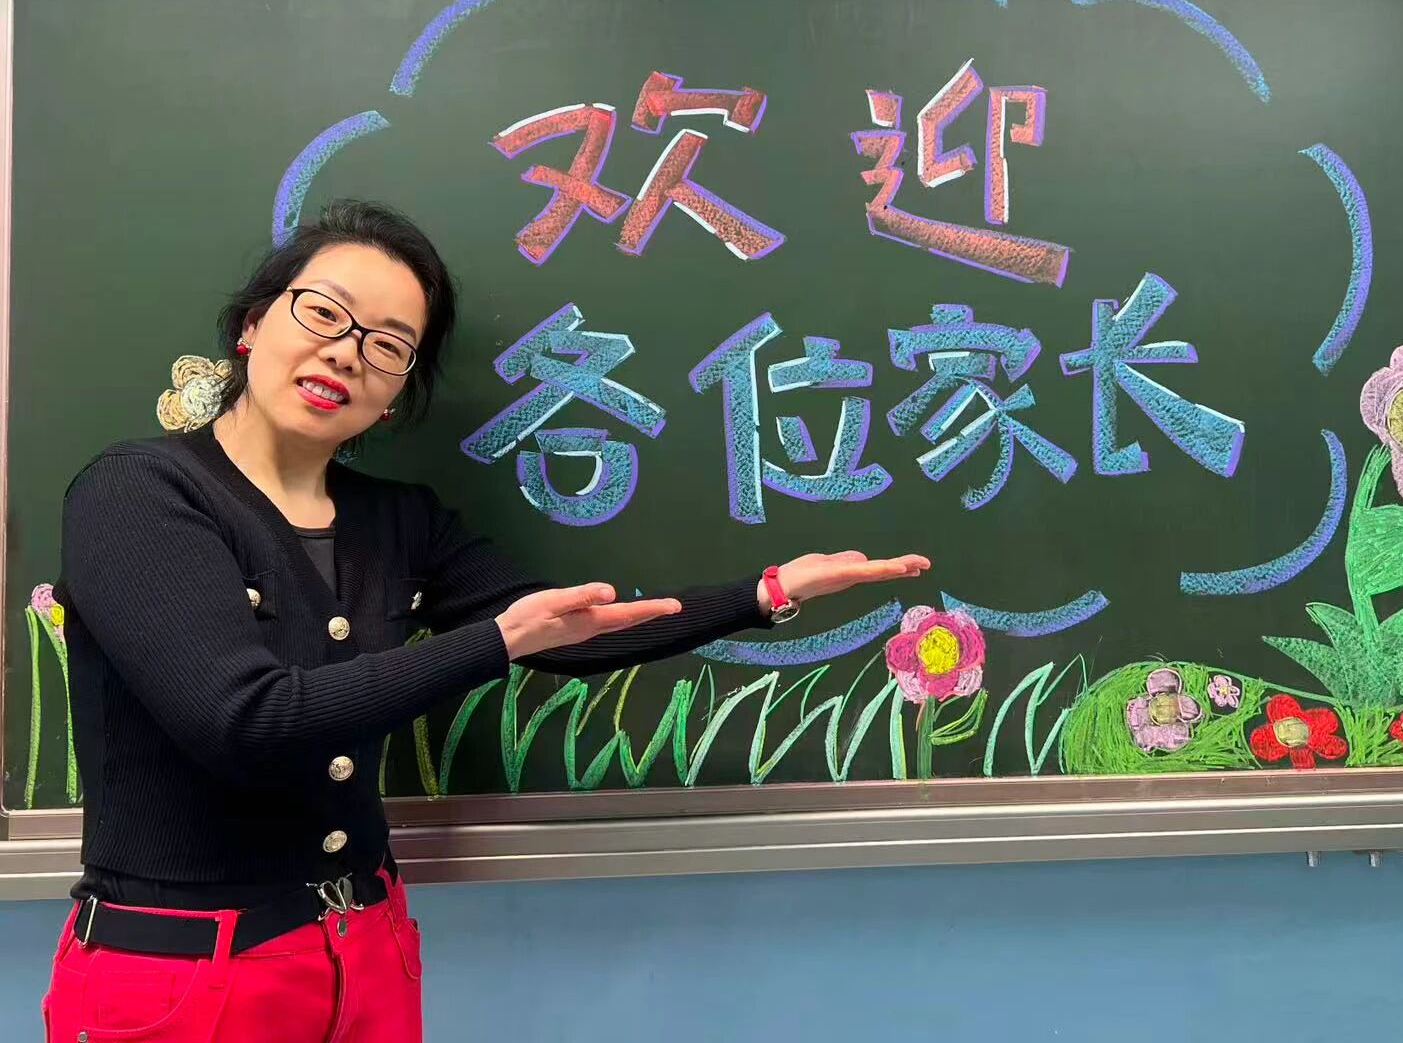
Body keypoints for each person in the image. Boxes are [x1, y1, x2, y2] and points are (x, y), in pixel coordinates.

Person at [41, 200, 928, 1042]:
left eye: (388, 345)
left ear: (395, 395)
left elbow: (571, 629)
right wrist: (496, 642)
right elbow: (244, 722)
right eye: (323, 314)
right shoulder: (138, 494)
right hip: (183, 970)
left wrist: (765, 593)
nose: (346, 353)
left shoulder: (398, 520)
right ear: (252, 325)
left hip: (366, 945)